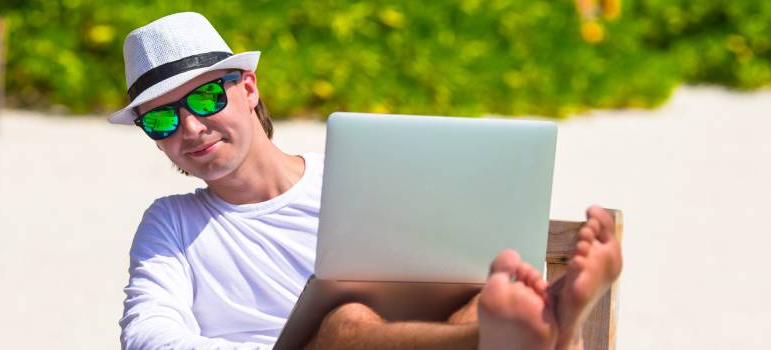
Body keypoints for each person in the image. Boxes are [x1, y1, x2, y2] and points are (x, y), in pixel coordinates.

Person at [112, 12, 623, 350]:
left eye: (204, 100)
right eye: (161, 120)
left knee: (479, 291)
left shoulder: (356, 177)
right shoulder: (171, 223)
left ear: (247, 88)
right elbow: (147, 337)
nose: (191, 129)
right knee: (344, 322)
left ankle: (524, 329)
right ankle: (534, 330)